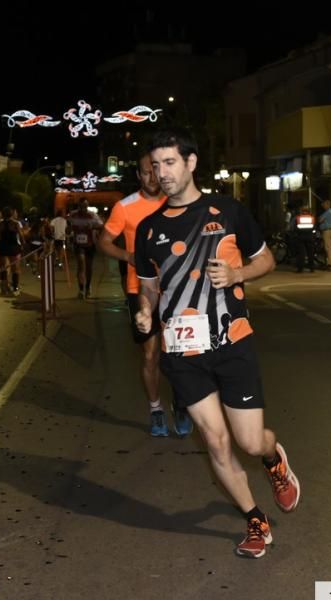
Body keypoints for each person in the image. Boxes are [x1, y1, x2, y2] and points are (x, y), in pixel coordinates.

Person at [134, 128, 300, 559]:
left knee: (248, 441)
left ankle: (273, 459)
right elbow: (149, 286)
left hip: (231, 343)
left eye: (170, 162)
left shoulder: (227, 212)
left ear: (191, 163)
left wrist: (238, 274)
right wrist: (146, 310)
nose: (162, 172)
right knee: (215, 441)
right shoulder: (148, 229)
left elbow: (266, 259)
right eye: (156, 165)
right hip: (182, 352)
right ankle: (255, 521)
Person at [98, 153, 193, 438]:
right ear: (139, 176)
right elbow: (103, 242)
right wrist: (129, 256)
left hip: (176, 290)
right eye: (146, 172)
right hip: (139, 290)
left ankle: (181, 404)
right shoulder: (124, 207)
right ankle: (155, 409)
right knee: (151, 355)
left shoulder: (177, 201)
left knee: (178, 353)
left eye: (156, 170)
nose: (153, 177)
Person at [67, 197, 103, 298]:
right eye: (81, 206)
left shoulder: (92, 215)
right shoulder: (73, 215)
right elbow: (68, 229)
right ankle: (81, 289)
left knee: (88, 268)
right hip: (78, 244)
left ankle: (87, 287)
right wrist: (69, 229)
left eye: (85, 206)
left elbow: (101, 226)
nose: (83, 208)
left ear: (87, 205)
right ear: (78, 206)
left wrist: (92, 227)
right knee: (81, 264)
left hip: (90, 244)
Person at [293, 207, 316, 273]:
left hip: (300, 237)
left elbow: (295, 228)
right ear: (308, 211)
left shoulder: (298, 218)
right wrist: (313, 234)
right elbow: (314, 228)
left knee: (301, 253)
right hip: (310, 237)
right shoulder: (312, 218)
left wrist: (296, 234)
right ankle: (312, 268)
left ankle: (300, 268)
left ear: (302, 211)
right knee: (310, 253)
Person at [317, 199, 331, 269]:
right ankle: (327, 262)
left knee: (327, 247)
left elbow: (320, 220)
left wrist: (320, 218)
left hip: (327, 231)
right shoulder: (327, 212)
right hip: (326, 231)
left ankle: (329, 263)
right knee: (326, 247)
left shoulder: (328, 212)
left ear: (328, 205)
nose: (323, 205)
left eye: (324, 204)